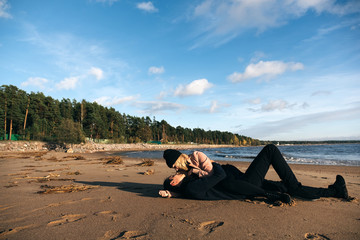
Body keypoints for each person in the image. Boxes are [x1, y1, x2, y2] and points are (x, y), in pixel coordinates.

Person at [159, 144, 349, 203]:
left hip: (243, 179)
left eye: (175, 166)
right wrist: (207, 164)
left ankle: (334, 192)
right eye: (173, 172)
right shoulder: (192, 179)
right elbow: (217, 175)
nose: (175, 170)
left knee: (288, 188)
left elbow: (184, 190)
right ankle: (296, 187)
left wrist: (171, 193)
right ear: (175, 182)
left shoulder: (191, 171)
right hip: (244, 183)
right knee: (270, 150)